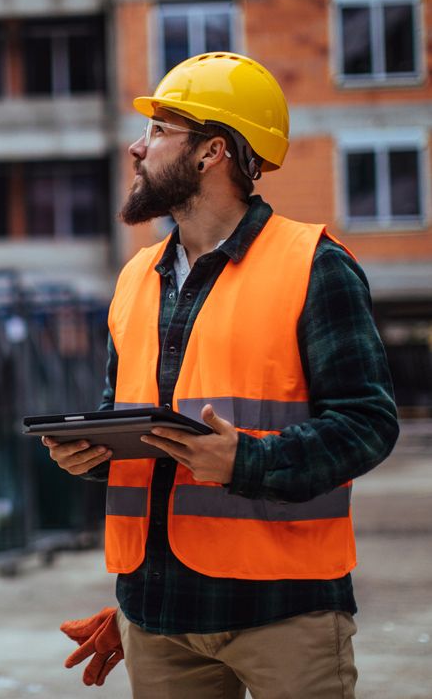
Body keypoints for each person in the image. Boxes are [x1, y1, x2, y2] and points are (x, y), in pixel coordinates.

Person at [42, 52, 399, 699]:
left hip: (284, 614)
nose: (136, 146)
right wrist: (91, 455)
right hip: (159, 617)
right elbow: (132, 424)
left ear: (210, 153)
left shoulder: (314, 267)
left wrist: (247, 462)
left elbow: (367, 424)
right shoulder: (136, 279)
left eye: (158, 131)